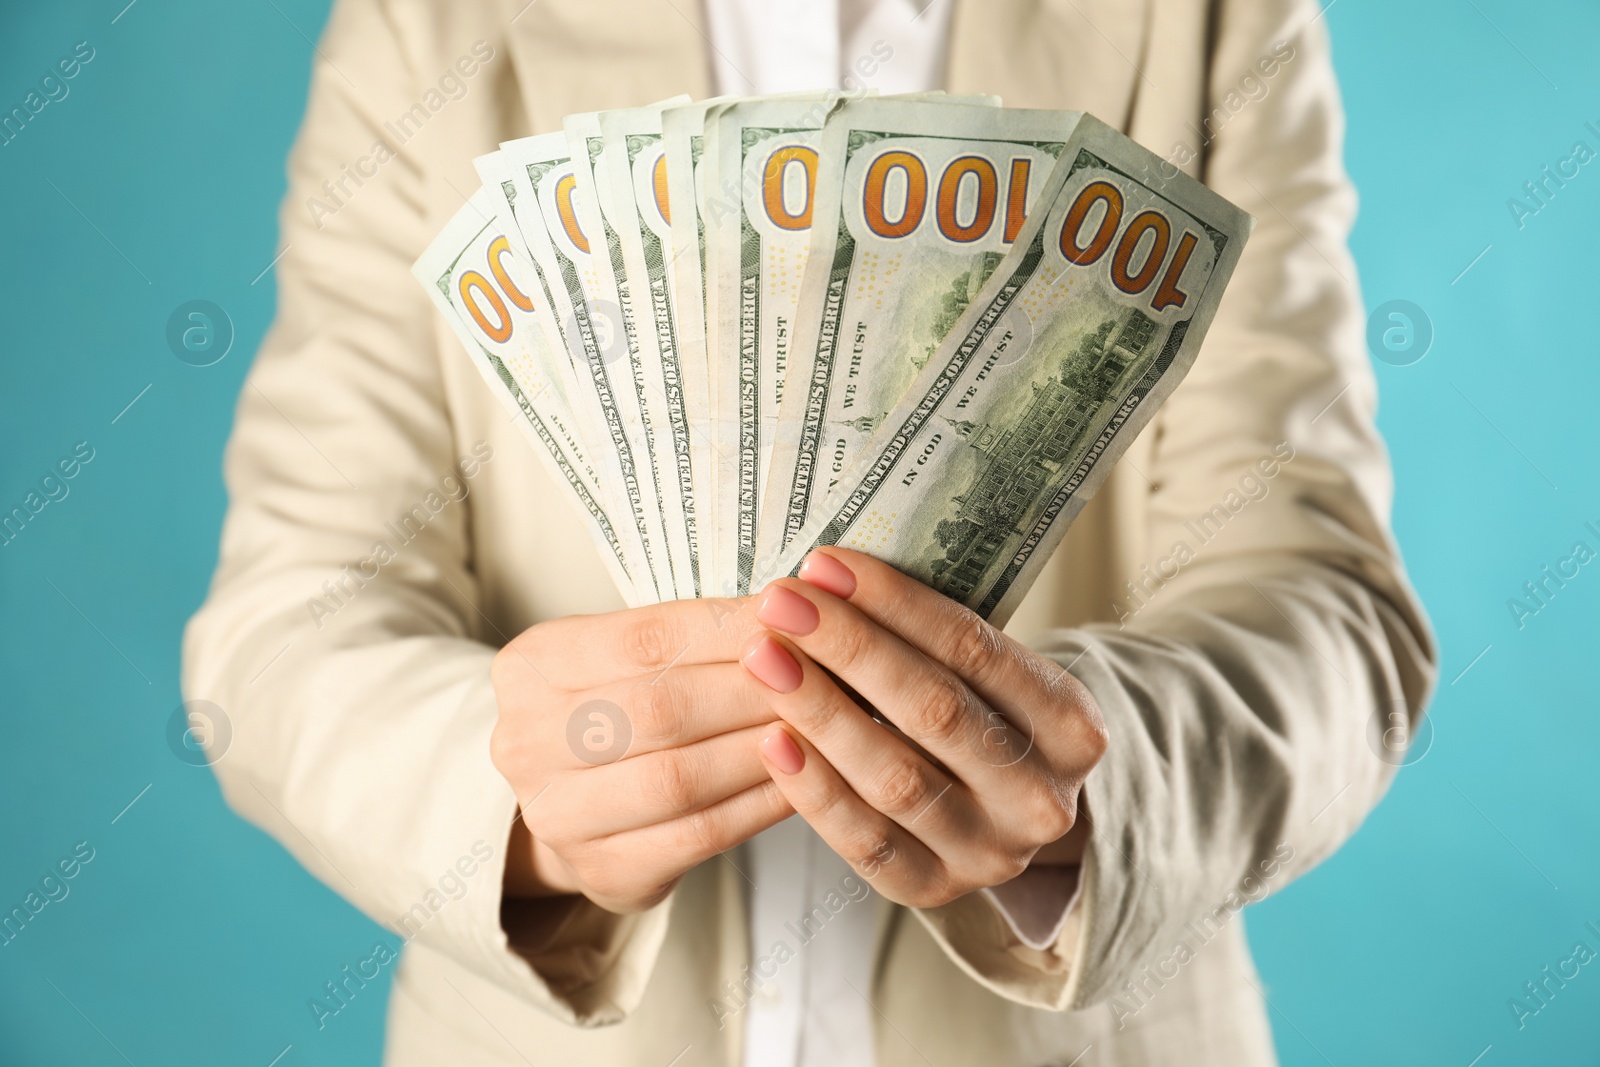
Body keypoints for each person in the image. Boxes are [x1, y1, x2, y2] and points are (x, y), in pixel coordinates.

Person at [183, 0, 1436, 1063]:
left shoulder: (1200, 16)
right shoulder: (432, 25)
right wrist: (515, 794)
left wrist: (1083, 773)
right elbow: (287, 617)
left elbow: (1327, 608)